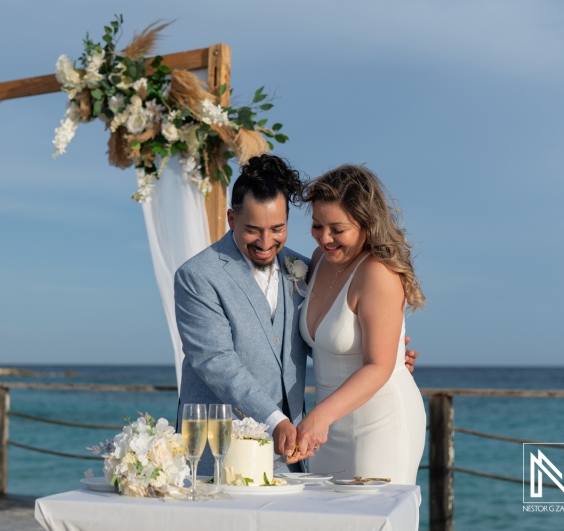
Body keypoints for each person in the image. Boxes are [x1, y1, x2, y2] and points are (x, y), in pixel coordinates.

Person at [174, 155, 419, 476]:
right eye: (252, 230)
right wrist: (276, 420)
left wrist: (390, 356)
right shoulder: (197, 275)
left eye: (277, 229)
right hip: (223, 439)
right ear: (232, 219)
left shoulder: (303, 266)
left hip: (305, 440)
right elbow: (216, 361)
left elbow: (343, 336)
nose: (265, 242)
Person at [294, 164, 426, 484]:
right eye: (316, 225)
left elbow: (379, 367)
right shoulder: (318, 258)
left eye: (337, 229)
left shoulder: (377, 273)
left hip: (379, 423)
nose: (325, 238)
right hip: (327, 425)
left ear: (366, 223)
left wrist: (318, 417)